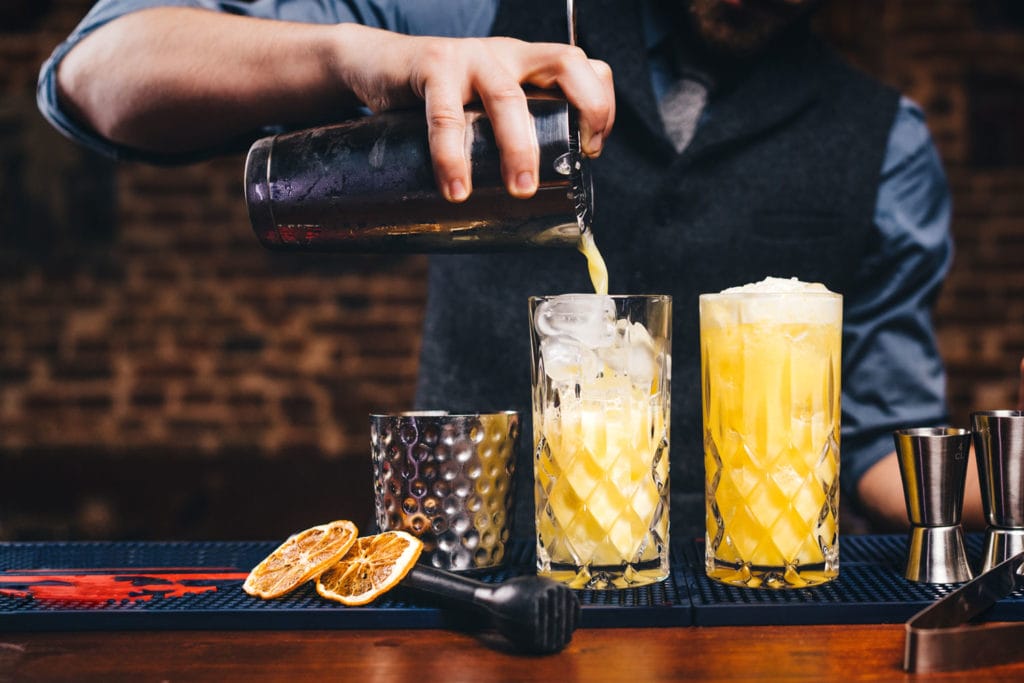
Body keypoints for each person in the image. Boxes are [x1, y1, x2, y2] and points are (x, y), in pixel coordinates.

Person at [38, 0, 971, 537]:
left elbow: (877, 457)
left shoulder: (886, 143)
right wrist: (361, 57)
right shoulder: (476, 10)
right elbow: (97, 71)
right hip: (473, 611)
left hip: (758, 632)